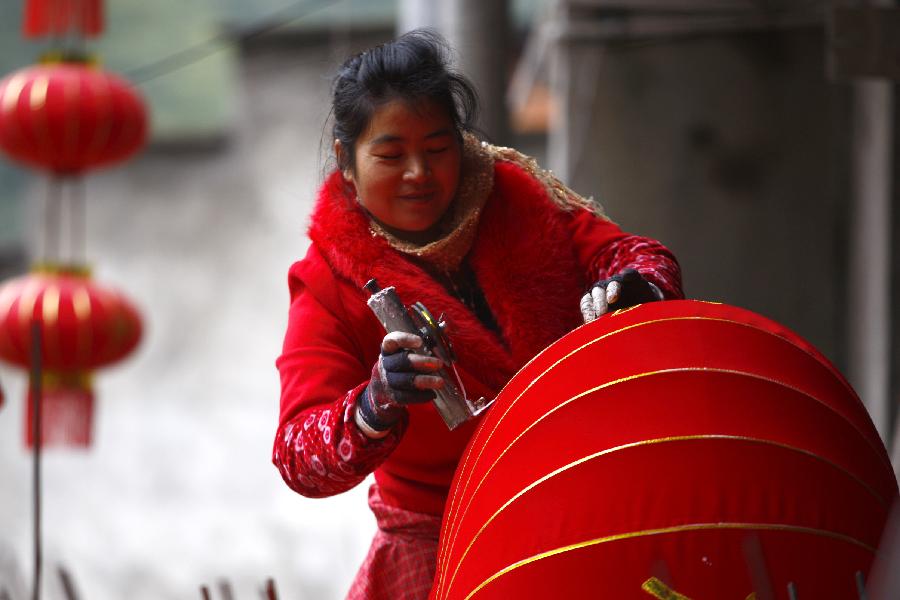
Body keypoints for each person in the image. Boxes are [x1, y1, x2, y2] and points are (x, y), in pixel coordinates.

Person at [272, 29, 683, 600]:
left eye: (438, 149)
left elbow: (635, 255)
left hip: (585, 510)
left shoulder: (516, 199)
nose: (419, 172)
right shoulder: (326, 283)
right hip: (444, 544)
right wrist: (375, 403)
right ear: (346, 160)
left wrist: (632, 290)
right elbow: (299, 456)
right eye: (391, 155)